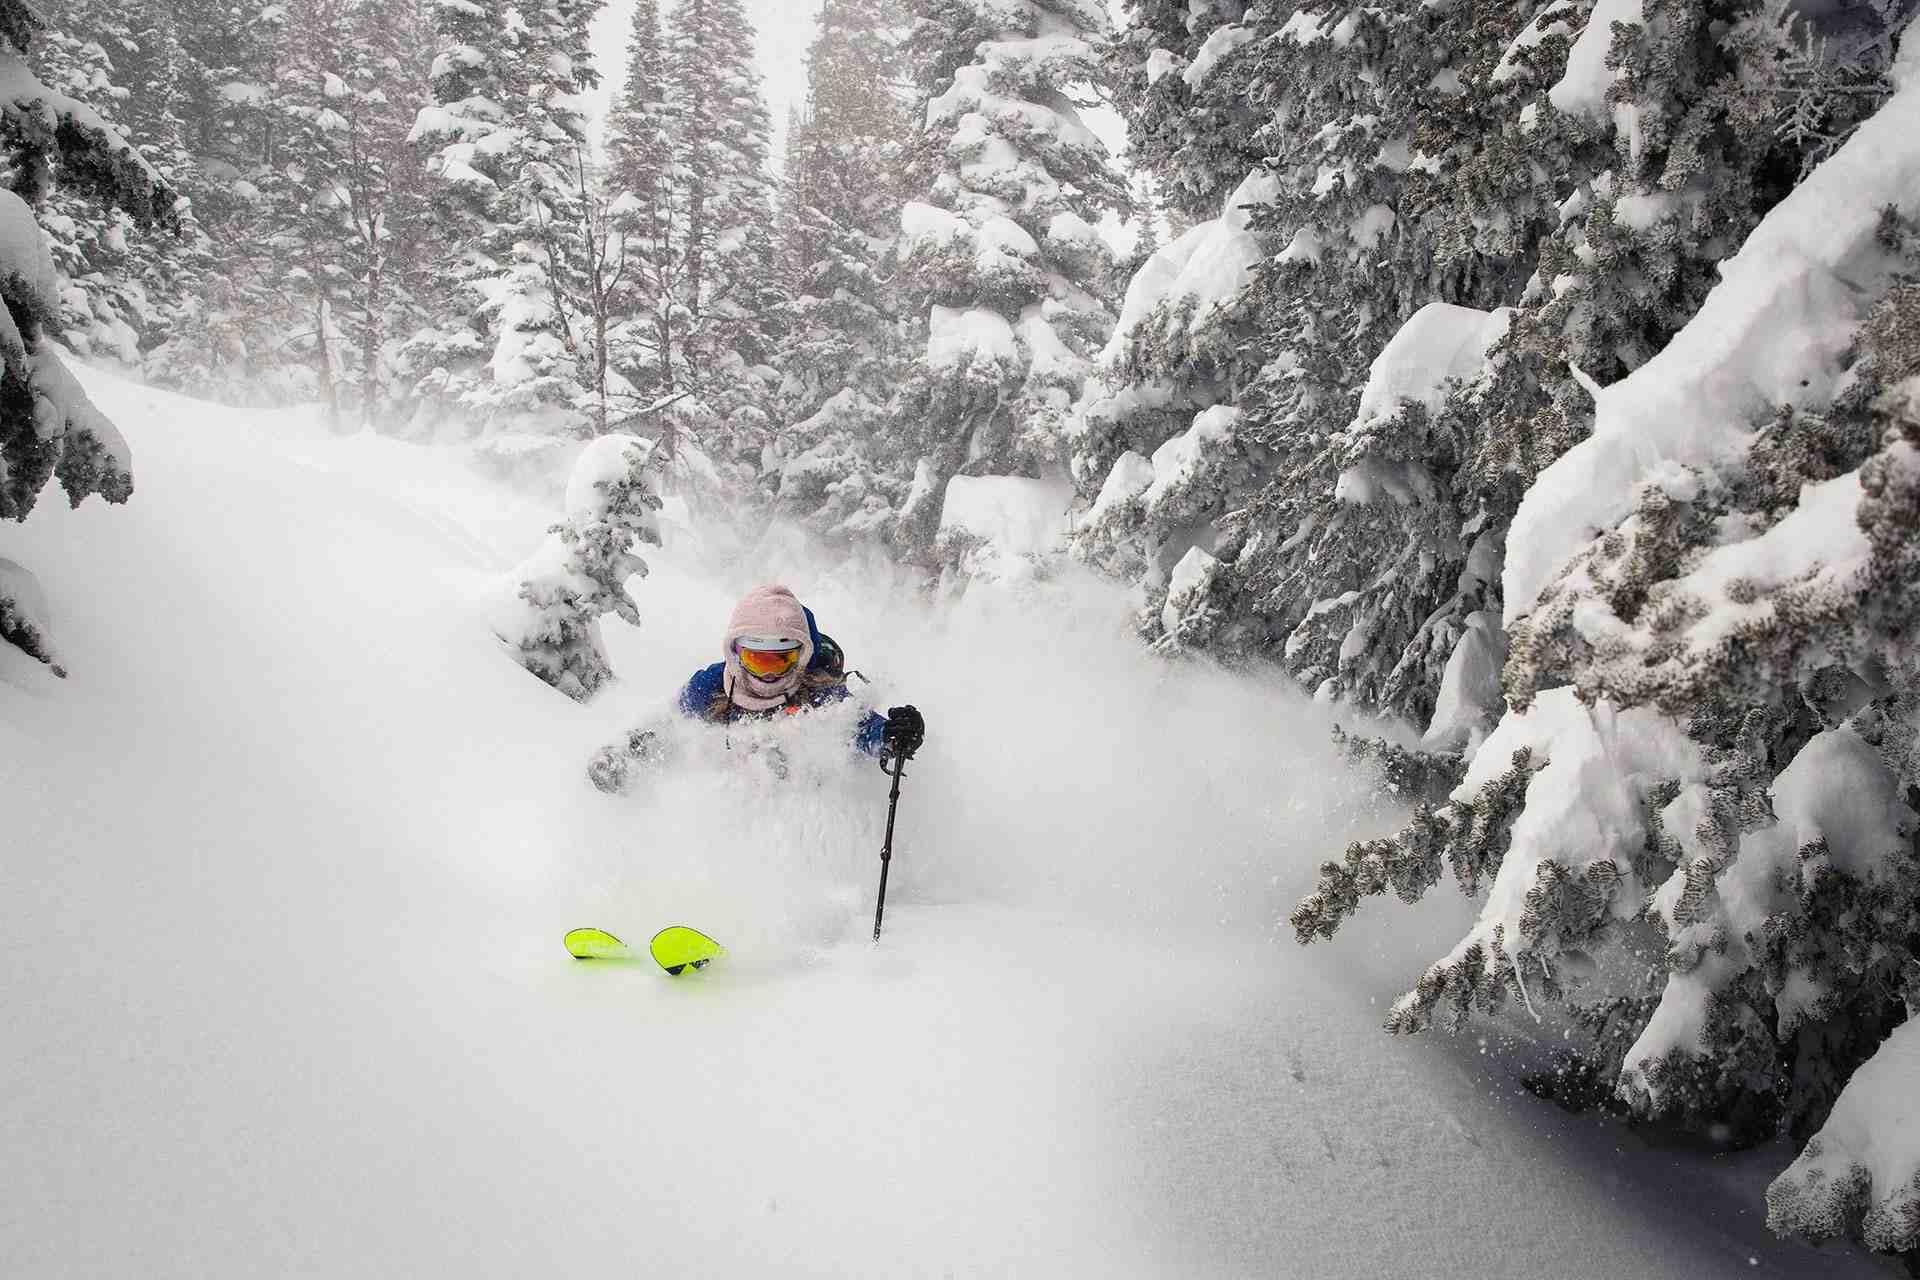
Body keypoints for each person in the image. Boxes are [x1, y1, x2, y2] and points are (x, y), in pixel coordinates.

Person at [587, 584, 923, 793]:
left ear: (803, 655)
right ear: (735, 652)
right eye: (757, 659)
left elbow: (859, 728)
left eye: (781, 660)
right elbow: (668, 724)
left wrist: (891, 735)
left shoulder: (818, 692)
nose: (768, 674)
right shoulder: (712, 686)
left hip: (801, 790)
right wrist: (625, 755)